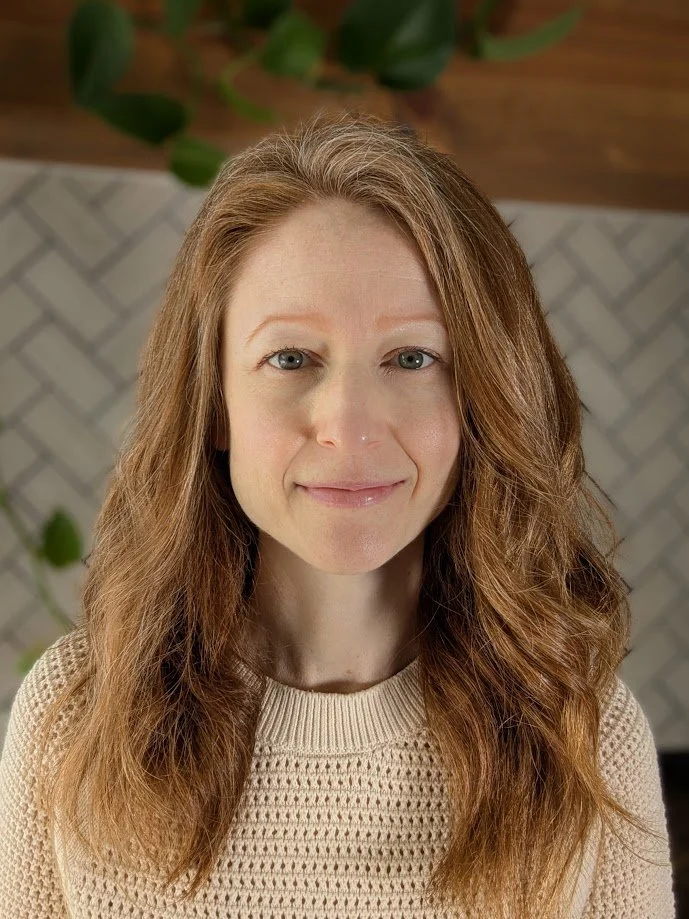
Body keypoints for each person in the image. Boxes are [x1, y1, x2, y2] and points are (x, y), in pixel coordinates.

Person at [0, 109, 676, 919]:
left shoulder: (586, 736)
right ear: (212, 401)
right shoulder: (71, 718)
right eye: (290, 358)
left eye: (412, 358)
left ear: (482, 399)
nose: (350, 428)